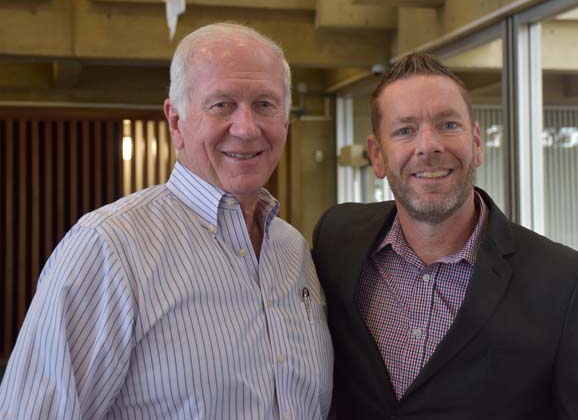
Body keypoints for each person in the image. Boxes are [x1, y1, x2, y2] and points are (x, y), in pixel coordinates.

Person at [0, 23, 333, 419]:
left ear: (284, 121)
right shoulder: (109, 249)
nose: (246, 128)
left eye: (264, 104)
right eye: (222, 104)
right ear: (176, 122)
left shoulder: (292, 248)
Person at [312, 53, 578, 419]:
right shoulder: (336, 239)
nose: (428, 145)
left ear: (476, 143)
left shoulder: (565, 284)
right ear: (378, 156)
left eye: (448, 125)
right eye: (404, 130)